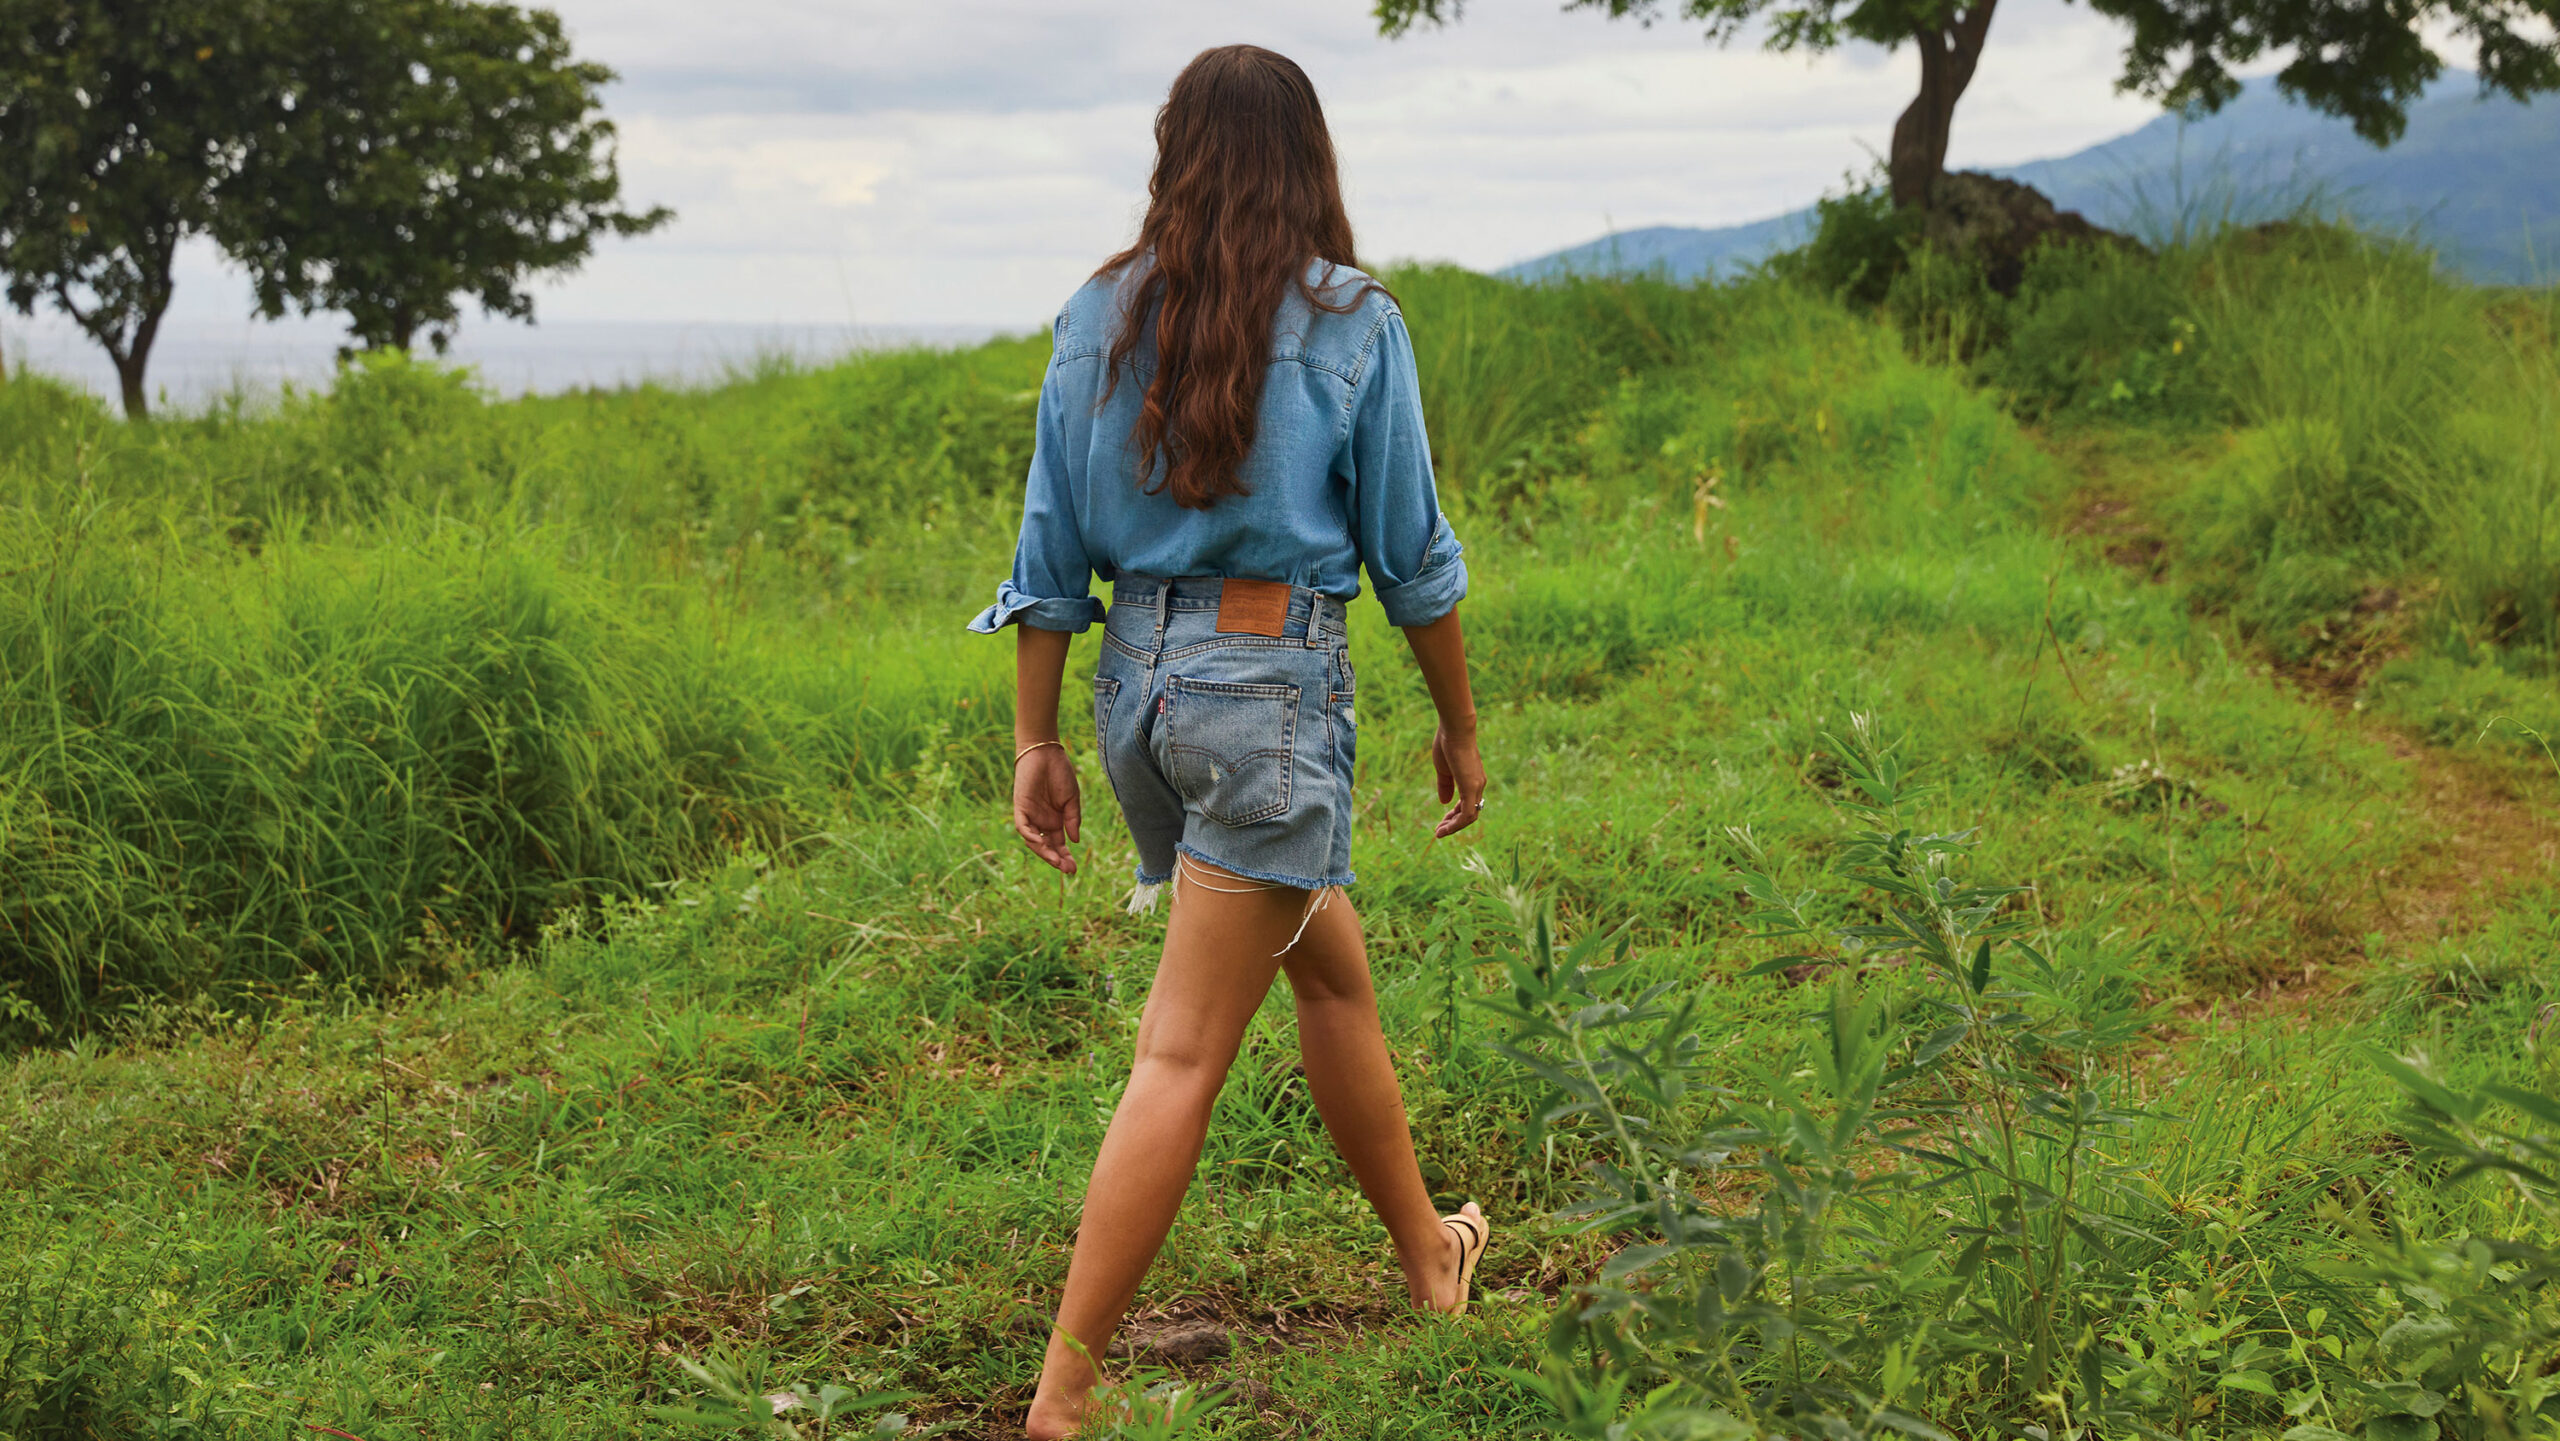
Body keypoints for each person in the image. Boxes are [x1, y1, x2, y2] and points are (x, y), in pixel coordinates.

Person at [966, 42, 1493, 1440]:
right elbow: (1413, 558)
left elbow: (1047, 551)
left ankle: (1430, 1252)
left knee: (1328, 969)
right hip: (1263, 698)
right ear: (1309, 159)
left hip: (1139, 693)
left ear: (1172, 153)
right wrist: (1458, 720)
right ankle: (1062, 1393)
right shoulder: (1352, 321)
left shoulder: (1096, 311)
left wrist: (1038, 738)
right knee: (1184, 1053)